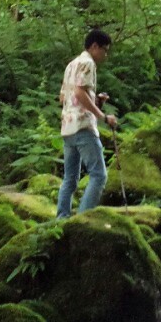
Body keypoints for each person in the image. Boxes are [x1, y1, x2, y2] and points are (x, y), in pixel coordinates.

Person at [56, 27, 118, 217]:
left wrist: (96, 100)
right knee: (99, 175)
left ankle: (61, 220)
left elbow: (63, 97)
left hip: (68, 127)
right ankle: (83, 219)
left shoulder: (71, 64)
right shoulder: (88, 63)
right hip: (83, 127)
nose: (105, 55)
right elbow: (79, 93)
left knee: (70, 179)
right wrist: (103, 116)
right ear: (94, 46)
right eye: (104, 50)